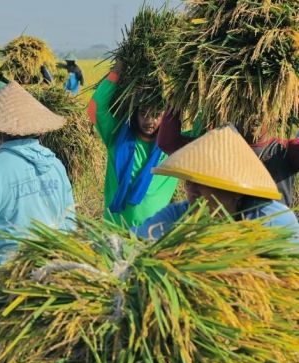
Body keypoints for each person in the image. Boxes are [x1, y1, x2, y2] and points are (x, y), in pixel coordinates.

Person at [0, 81, 76, 271]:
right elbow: (70, 221)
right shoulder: (55, 164)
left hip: (9, 272)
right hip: (56, 268)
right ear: (39, 130)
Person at [135, 126, 299, 241]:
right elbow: (134, 241)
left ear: (235, 190)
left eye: (202, 182)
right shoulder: (179, 215)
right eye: (188, 183)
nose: (192, 190)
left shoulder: (270, 220)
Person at [88, 60, 177, 228]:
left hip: (154, 238)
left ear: (165, 116)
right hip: (115, 235)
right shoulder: (116, 137)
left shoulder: (173, 148)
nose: (150, 121)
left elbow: (202, 129)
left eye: (156, 114)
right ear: (134, 113)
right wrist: (117, 71)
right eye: (143, 113)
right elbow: (95, 107)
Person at [157, 110, 299, 207]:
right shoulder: (215, 146)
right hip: (227, 240)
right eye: (246, 110)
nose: (254, 117)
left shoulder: (284, 150)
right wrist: (177, 98)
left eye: (262, 111)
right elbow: (168, 143)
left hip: (272, 239)